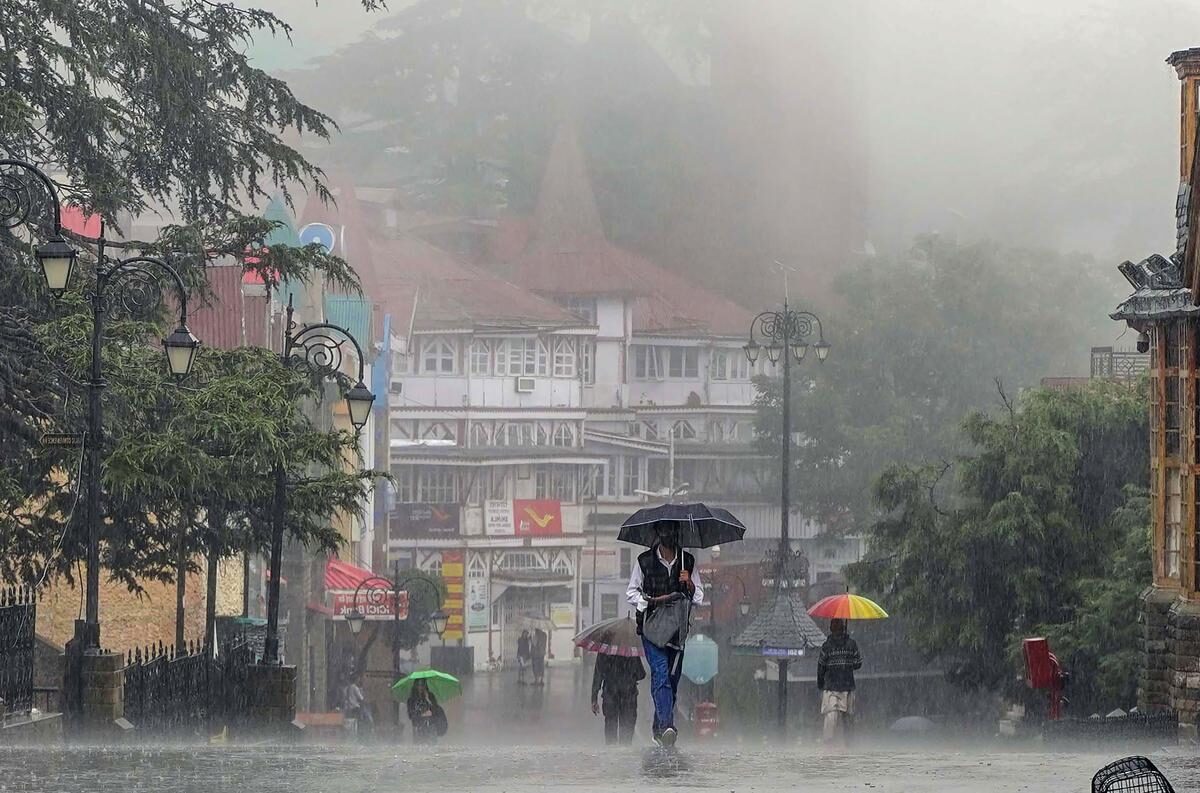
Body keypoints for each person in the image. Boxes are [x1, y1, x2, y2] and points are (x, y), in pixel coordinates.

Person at [626, 528, 703, 747]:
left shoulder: (687, 561)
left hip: (677, 631)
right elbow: (631, 591)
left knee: (671, 679)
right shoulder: (644, 561)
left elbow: (698, 596)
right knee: (660, 672)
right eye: (665, 532)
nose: (668, 536)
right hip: (652, 629)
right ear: (658, 534)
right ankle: (668, 725)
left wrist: (689, 583)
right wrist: (649, 603)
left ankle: (659, 728)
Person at [817, 618, 863, 746]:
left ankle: (833, 743)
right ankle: (846, 743)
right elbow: (858, 663)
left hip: (835, 687)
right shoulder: (850, 644)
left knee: (832, 718)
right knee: (845, 718)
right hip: (844, 686)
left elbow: (821, 667)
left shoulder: (828, 646)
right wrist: (848, 664)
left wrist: (820, 683)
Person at [590, 650, 645, 746]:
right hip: (629, 693)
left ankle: (611, 750)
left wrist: (594, 698)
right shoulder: (630, 650)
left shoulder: (605, 650)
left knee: (610, 723)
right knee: (627, 725)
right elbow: (641, 674)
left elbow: (598, 674)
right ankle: (625, 749)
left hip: (610, 692)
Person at [407, 679, 446, 744]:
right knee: (420, 748)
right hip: (419, 729)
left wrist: (429, 701)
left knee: (432, 748)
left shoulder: (430, 697)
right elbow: (411, 716)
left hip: (431, 728)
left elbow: (436, 711)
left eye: (422, 685)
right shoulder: (411, 700)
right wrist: (422, 715)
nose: (420, 687)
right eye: (419, 685)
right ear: (415, 686)